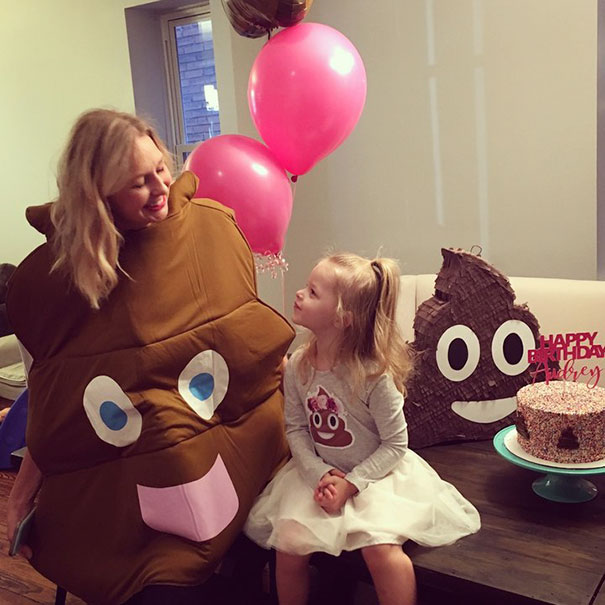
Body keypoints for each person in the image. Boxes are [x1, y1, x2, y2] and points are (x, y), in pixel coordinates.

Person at [6, 109, 294, 604]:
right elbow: (61, 406)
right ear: (98, 193)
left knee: (244, 563)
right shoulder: (62, 281)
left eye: (161, 169)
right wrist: (19, 496)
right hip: (133, 483)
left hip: (221, 454)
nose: (161, 187)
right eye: (139, 182)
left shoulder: (205, 234)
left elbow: (245, 347)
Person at [244, 253, 481, 605]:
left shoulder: (374, 375)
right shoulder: (297, 367)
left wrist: (352, 483)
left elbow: (395, 444)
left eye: (313, 292)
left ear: (342, 318)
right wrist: (319, 473)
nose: (299, 294)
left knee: (380, 551)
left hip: (377, 479)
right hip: (318, 475)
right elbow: (296, 428)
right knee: (289, 545)